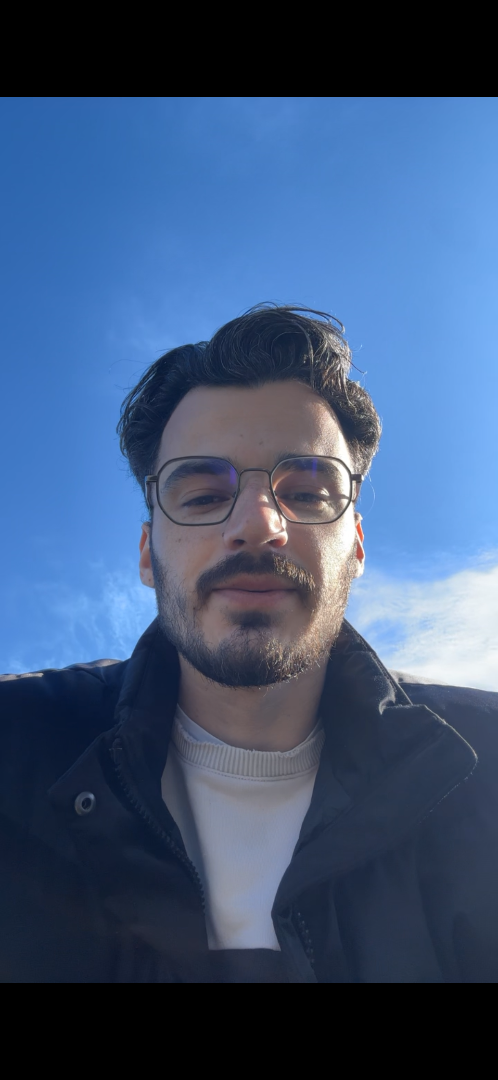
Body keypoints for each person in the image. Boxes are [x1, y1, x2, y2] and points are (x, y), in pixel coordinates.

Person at [1, 305, 497, 983]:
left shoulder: (486, 771)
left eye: (307, 492)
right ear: (148, 553)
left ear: (355, 545)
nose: (259, 525)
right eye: (204, 496)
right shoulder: (13, 750)